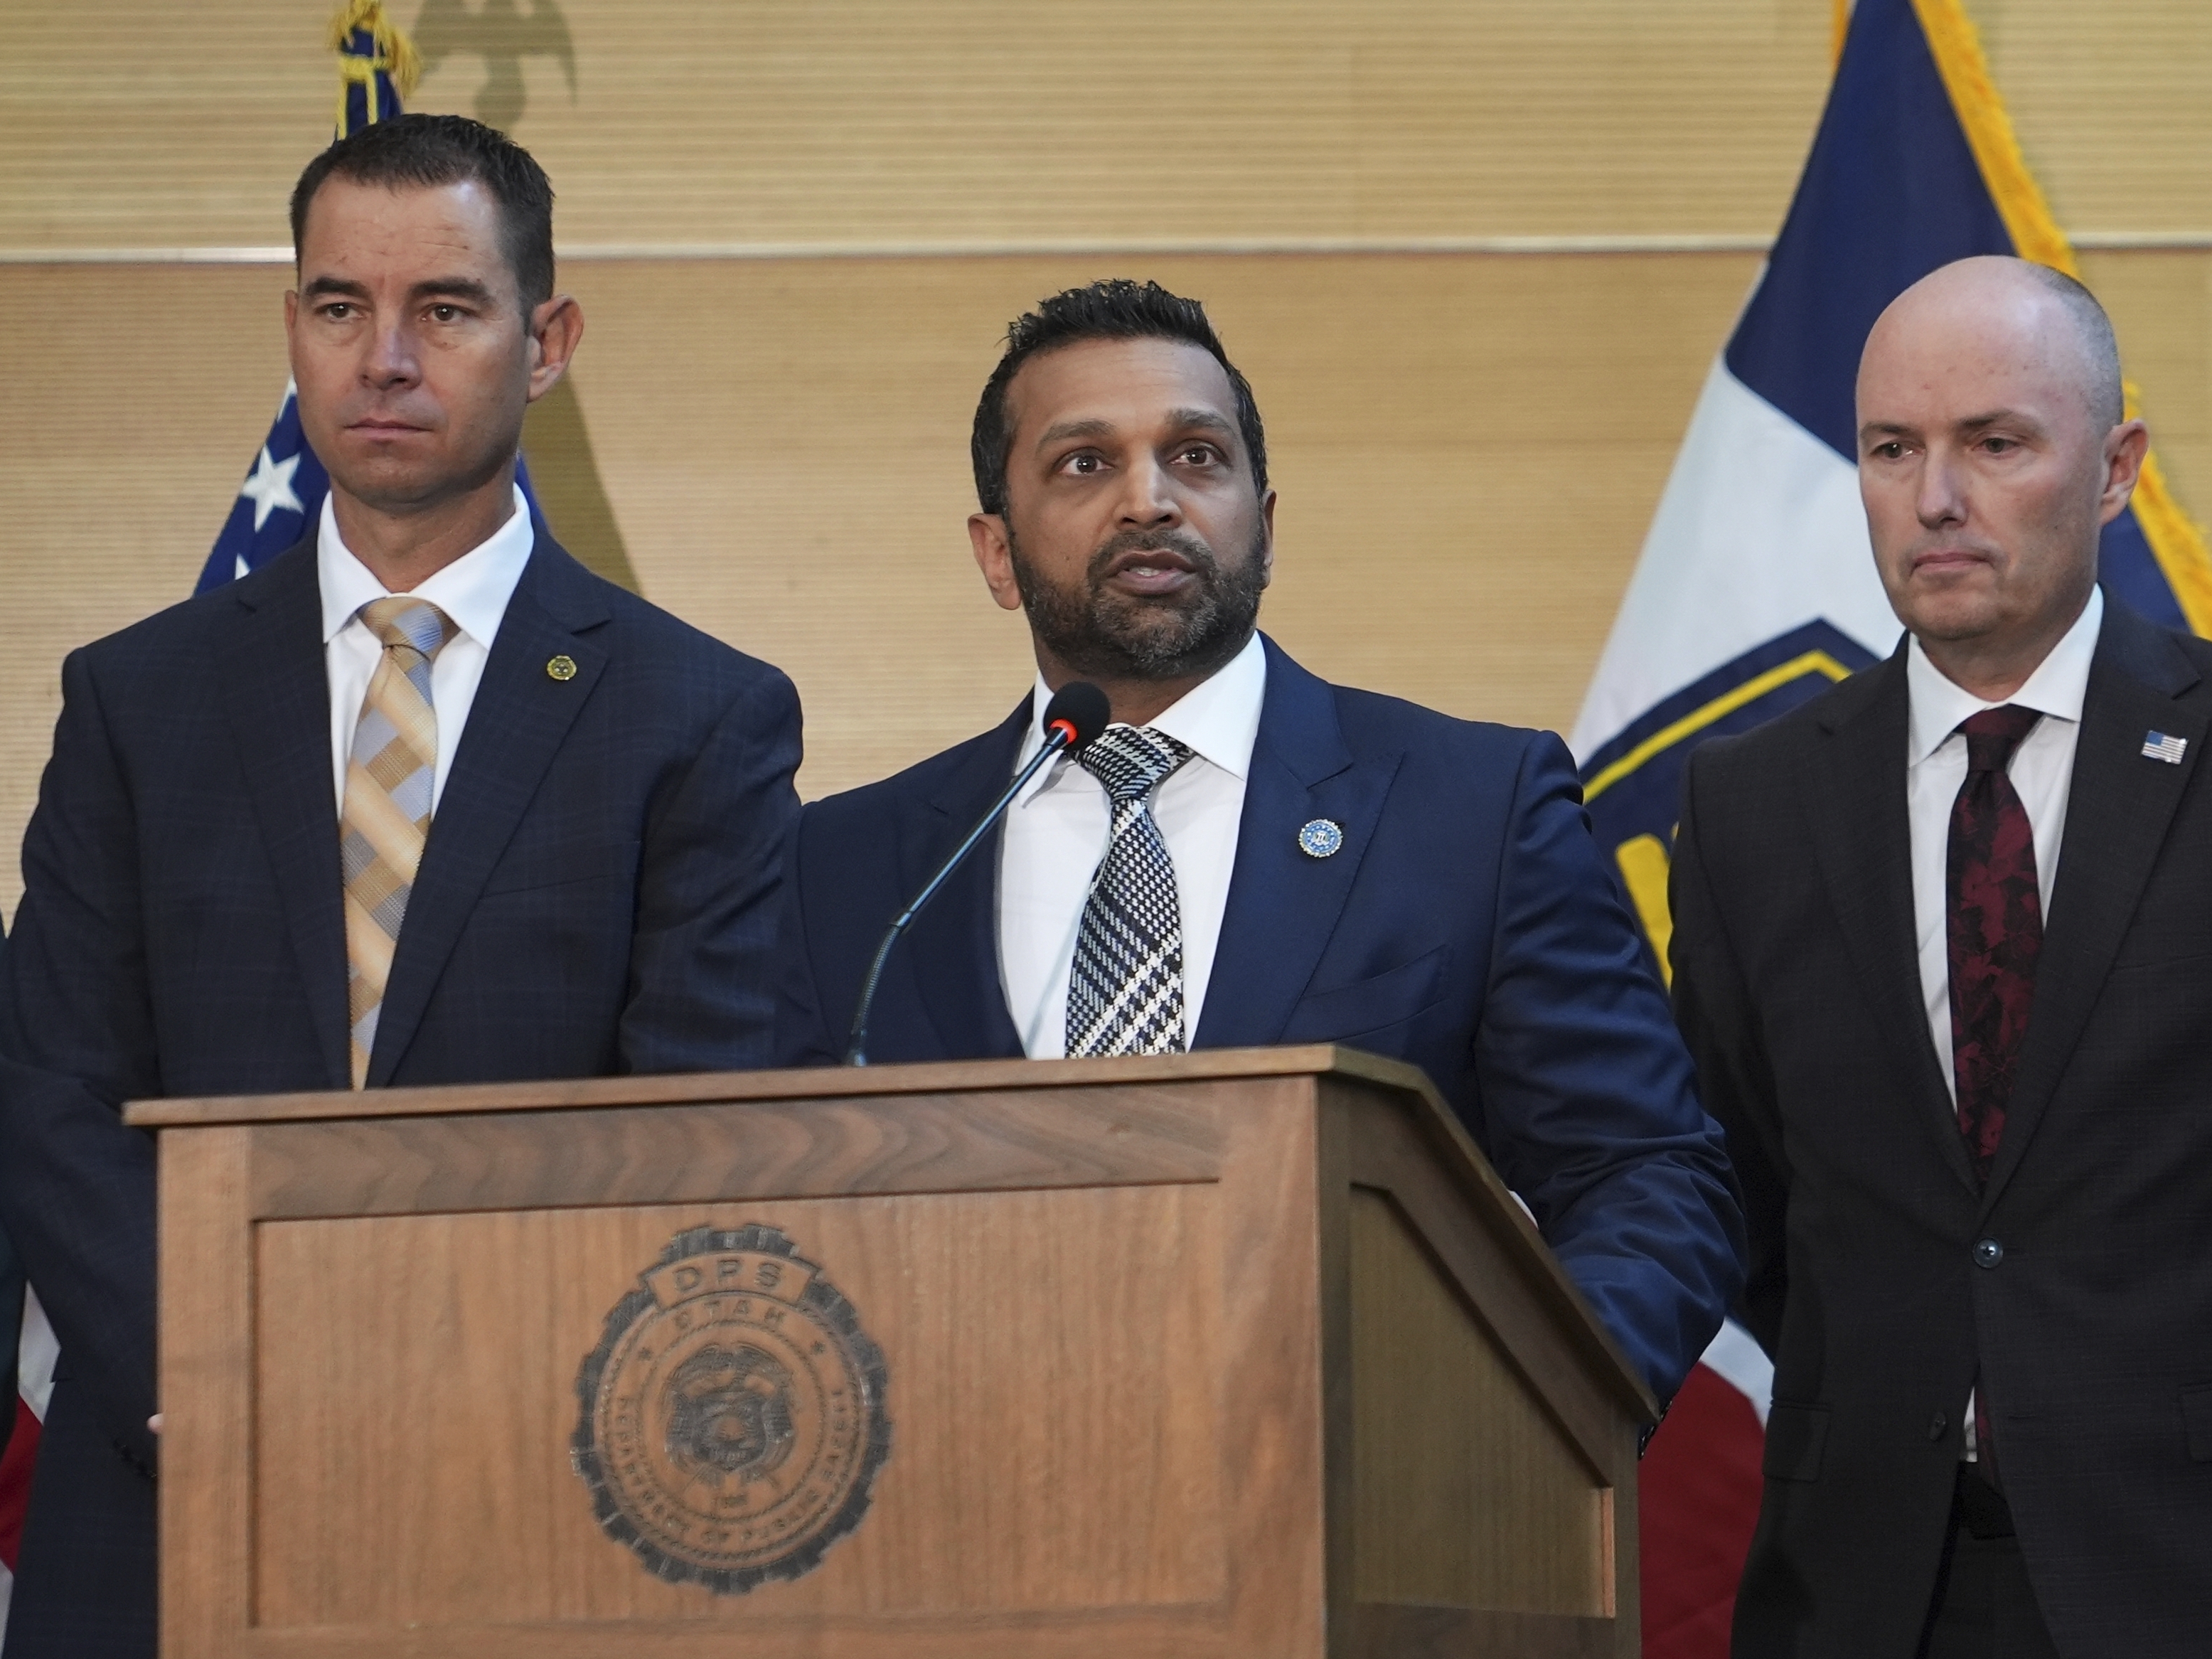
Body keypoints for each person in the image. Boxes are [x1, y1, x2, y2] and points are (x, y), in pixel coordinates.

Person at [0, 114, 800, 1657]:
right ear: (292, 329)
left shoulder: (698, 716)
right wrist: (209, 1388)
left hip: (548, 1492)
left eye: (443, 307)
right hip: (162, 1496)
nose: (384, 357)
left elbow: (703, 1120)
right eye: (337, 306)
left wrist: (479, 1417)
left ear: (545, 339)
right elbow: (54, 1094)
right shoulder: (135, 700)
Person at [775, 278, 1743, 1407]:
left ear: (1265, 526)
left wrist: (1515, 1428)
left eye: (1196, 456)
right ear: (997, 554)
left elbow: (1644, 1177)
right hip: (959, 1515)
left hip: (1365, 1521)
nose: (1150, 502)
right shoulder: (843, 873)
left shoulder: (1471, 811)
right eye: (1084, 464)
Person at [1669, 255, 2212, 1658]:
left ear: (2110, 469)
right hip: (1863, 1582)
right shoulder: (1746, 806)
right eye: (1890, 448)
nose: (1933, 501)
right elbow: (1741, 1191)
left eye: (1992, 443)